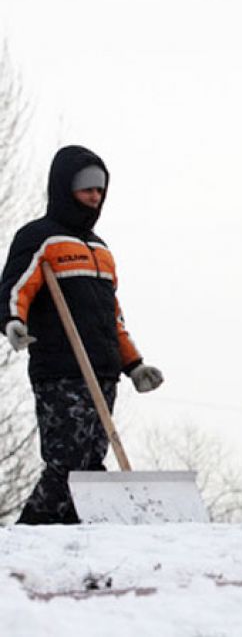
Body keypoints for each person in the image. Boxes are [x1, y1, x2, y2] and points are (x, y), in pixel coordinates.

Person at [1, 145, 164, 524]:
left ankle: (78, 535)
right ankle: (26, 537)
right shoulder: (40, 238)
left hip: (104, 371)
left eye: (100, 190)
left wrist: (134, 364)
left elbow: (113, 318)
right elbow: (16, 286)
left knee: (91, 465)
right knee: (66, 464)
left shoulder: (101, 251)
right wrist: (13, 320)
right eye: (86, 189)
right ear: (64, 188)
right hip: (62, 370)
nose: (94, 197)